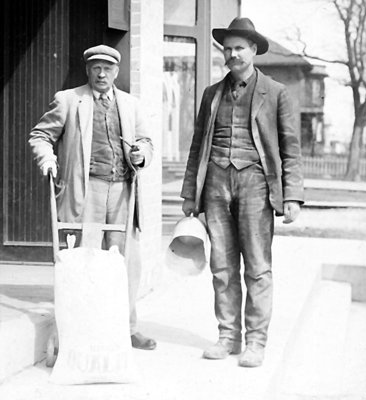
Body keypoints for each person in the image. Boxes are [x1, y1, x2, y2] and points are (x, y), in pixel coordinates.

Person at [181, 17, 304, 367]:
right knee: (221, 266)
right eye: (228, 48)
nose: (232, 54)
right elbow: (196, 147)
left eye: (239, 48)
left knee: (258, 267)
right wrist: (191, 193)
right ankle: (227, 337)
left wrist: (292, 195)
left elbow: (291, 149)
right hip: (216, 186)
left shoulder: (277, 93)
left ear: (253, 51)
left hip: (256, 184)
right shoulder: (211, 94)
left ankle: (256, 342)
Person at [29, 44, 156, 351]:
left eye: (108, 68)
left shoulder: (129, 104)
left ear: (116, 72)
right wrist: (47, 158)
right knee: (86, 261)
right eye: (96, 68)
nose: (102, 74)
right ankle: (82, 331)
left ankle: (127, 328)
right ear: (88, 70)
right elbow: (40, 136)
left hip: (123, 190)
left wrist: (141, 154)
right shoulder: (70, 100)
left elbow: (146, 142)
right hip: (86, 190)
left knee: (125, 261)